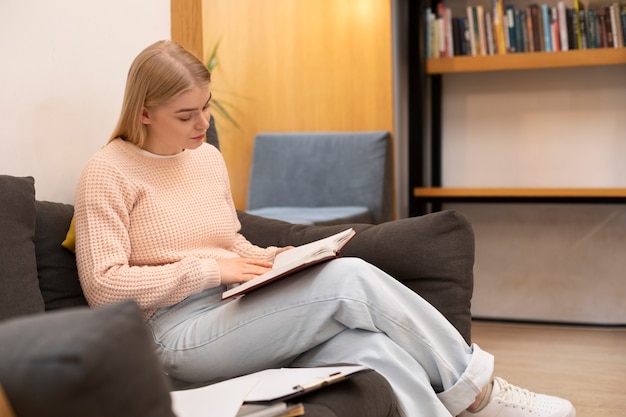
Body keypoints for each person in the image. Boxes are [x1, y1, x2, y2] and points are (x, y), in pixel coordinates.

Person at [73, 40, 576, 417]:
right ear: (144, 111)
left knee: (372, 348)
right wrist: (212, 270)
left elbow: (230, 241)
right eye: (186, 115)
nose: (203, 123)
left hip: (232, 309)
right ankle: (481, 393)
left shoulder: (204, 159)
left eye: (206, 106)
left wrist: (274, 260)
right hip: (170, 336)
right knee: (350, 279)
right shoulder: (108, 171)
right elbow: (104, 285)